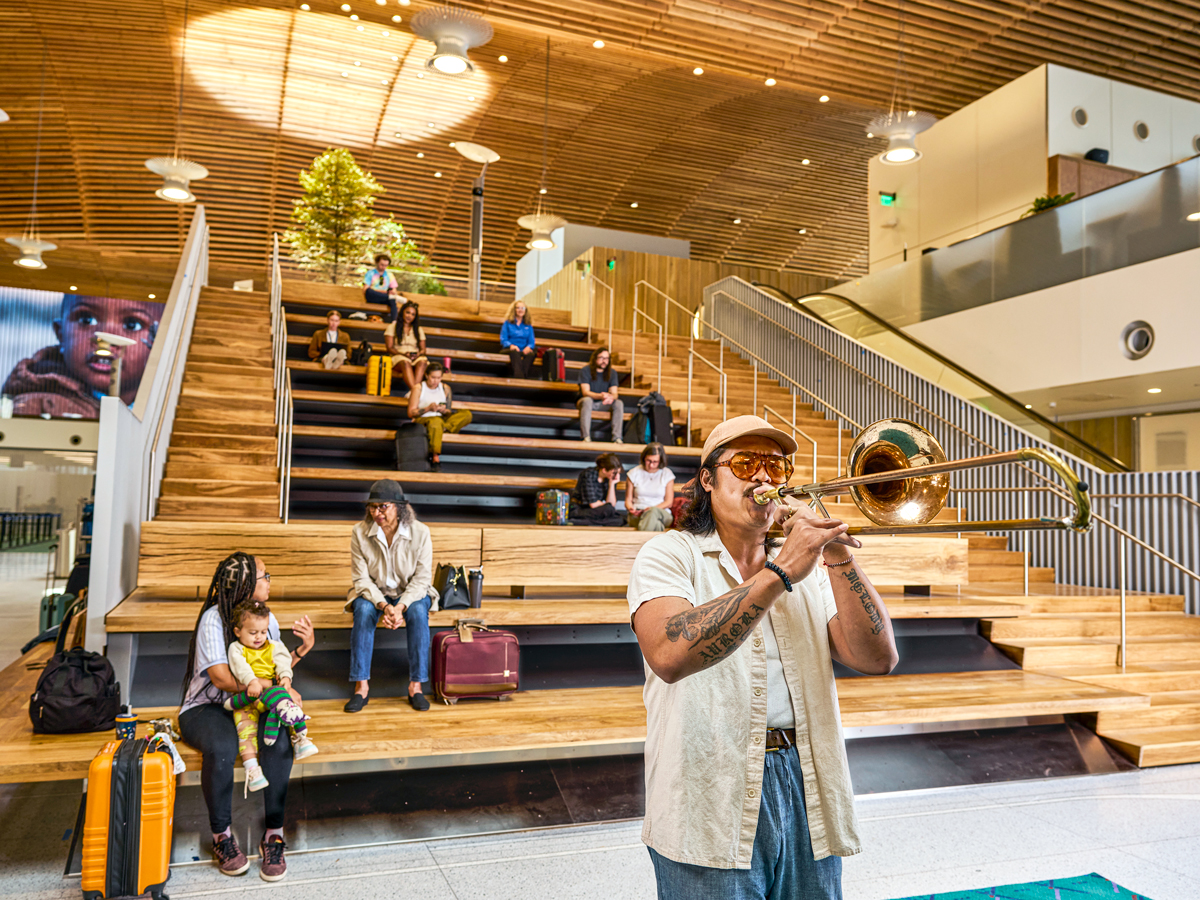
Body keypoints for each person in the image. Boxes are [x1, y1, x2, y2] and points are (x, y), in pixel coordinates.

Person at [627, 415, 899, 899]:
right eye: (746, 463)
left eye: (776, 467)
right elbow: (669, 654)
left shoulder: (812, 565)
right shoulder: (669, 554)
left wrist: (838, 555)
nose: (763, 478)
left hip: (809, 780)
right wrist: (781, 570)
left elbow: (877, 658)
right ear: (708, 480)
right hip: (708, 785)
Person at [178, 552, 316, 882]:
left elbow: (275, 665)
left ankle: (273, 834)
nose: (269, 581)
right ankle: (222, 836)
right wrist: (277, 691)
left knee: (279, 742)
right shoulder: (214, 619)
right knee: (223, 747)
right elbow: (223, 679)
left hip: (253, 706)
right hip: (207, 707)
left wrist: (300, 651)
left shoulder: (268, 620)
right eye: (265, 576)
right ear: (246, 585)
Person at [345, 479, 438, 713]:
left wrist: (401, 607)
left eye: (383, 506)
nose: (377, 512)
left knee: (418, 611)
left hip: (411, 593)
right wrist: (384, 606)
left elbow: (422, 579)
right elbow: (361, 580)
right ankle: (361, 687)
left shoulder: (421, 532)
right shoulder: (359, 532)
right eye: (372, 507)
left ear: (399, 507)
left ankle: (416, 686)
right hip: (375, 594)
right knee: (363, 609)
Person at [2, 293, 162, 418]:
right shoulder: (37, 405)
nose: (104, 338)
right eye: (86, 319)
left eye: (131, 324)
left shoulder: (161, 405)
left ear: (159, 340)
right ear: (60, 333)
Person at [222, 599, 318, 794]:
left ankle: (300, 738)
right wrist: (251, 681)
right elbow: (239, 666)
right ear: (237, 631)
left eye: (263, 632)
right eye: (253, 632)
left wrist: (285, 677)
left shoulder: (274, 646)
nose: (259, 637)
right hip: (247, 699)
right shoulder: (236, 648)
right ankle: (252, 770)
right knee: (246, 733)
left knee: (285, 705)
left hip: (269, 695)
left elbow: (283, 662)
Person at [407, 362, 471, 471]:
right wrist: (428, 409)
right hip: (424, 419)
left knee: (466, 414)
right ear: (427, 375)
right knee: (436, 421)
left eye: (438, 378)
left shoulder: (445, 388)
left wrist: (443, 410)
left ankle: (442, 428)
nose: (435, 381)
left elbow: (448, 412)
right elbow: (410, 413)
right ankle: (435, 457)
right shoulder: (418, 388)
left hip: (439, 418)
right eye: (433, 377)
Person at [577, 346, 624, 443]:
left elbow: (615, 393)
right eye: (601, 358)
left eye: (607, 358)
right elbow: (586, 392)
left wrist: (610, 397)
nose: (604, 361)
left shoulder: (612, 373)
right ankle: (586, 437)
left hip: (603, 403)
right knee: (587, 400)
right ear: (595, 359)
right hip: (586, 403)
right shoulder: (585, 371)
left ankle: (617, 438)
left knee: (618, 403)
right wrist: (602, 396)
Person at [626, 442, 676, 532]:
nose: (651, 465)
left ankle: (640, 540)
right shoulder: (633, 473)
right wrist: (631, 508)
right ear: (644, 458)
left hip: (661, 513)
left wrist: (651, 509)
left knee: (652, 512)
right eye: (648, 461)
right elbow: (628, 500)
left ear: (660, 461)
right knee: (656, 525)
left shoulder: (667, 474)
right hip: (639, 513)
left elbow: (669, 502)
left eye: (655, 462)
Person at [569, 452, 626, 527]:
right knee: (609, 510)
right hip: (581, 509)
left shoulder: (609, 478)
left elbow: (611, 504)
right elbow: (593, 504)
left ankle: (591, 522)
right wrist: (608, 507)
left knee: (620, 519)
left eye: (618, 473)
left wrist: (612, 484)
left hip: (598, 512)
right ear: (604, 470)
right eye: (615, 473)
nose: (617, 476)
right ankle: (585, 521)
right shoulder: (588, 474)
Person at [384, 300, 428, 394]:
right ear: (402, 312)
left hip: (414, 356)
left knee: (423, 362)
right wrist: (403, 354)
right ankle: (416, 393)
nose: (409, 316)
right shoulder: (392, 326)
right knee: (405, 362)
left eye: (413, 314)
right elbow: (389, 348)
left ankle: (414, 392)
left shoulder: (418, 329)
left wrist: (418, 354)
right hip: (398, 355)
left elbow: (423, 349)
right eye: (407, 312)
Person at [500, 300, 536, 379]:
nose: (520, 310)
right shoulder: (507, 323)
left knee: (531, 354)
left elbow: (531, 341)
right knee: (515, 353)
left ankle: (522, 377)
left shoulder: (528, 325)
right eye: (518, 308)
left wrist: (528, 347)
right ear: (514, 310)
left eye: (522, 308)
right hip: (510, 349)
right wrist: (511, 345)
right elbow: (503, 339)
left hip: (523, 349)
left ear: (525, 310)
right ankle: (520, 378)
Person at [362, 253, 399, 322]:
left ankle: (394, 321)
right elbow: (365, 290)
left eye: (385, 265)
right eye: (382, 264)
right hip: (373, 297)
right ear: (377, 262)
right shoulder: (370, 273)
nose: (383, 267)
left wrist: (390, 293)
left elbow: (394, 291)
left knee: (392, 299)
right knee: (369, 291)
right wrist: (385, 293)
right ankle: (388, 297)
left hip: (384, 298)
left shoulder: (389, 275)